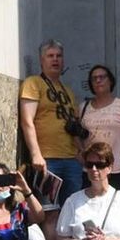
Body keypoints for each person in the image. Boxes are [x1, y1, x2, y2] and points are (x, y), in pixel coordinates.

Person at [19, 39, 84, 203]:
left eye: (59, 56)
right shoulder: (33, 83)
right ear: (42, 60)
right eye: (50, 56)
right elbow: (27, 121)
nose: (55, 59)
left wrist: (81, 152)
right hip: (47, 160)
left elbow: (73, 127)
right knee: (48, 211)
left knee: (72, 209)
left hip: (72, 160)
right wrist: (36, 154)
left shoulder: (68, 91)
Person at [76, 64, 120, 185]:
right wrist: (81, 155)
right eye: (94, 78)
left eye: (102, 77)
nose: (98, 81)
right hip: (91, 171)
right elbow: (74, 134)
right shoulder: (83, 108)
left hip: (117, 171)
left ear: (110, 81)